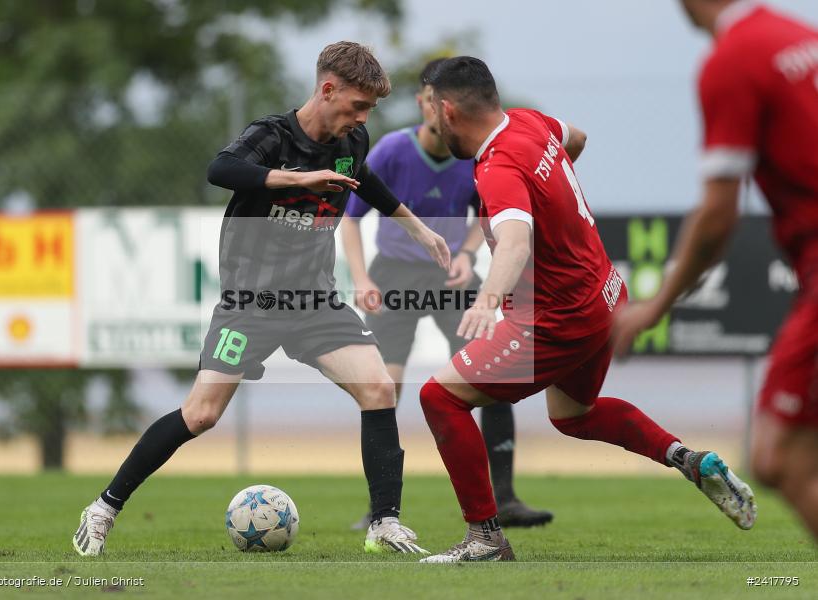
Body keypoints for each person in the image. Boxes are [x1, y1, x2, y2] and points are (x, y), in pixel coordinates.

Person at [72, 41, 452, 557]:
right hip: (249, 304)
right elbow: (221, 170)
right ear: (327, 89)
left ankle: (384, 523)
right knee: (201, 414)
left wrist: (418, 229)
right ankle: (103, 508)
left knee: (379, 388)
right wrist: (298, 178)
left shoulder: (353, 140)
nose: (364, 118)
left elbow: (366, 182)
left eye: (369, 109)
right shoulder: (272, 135)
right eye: (358, 105)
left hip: (314, 303)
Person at [414, 56, 757, 563]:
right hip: (605, 296)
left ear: (447, 110)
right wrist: (550, 192)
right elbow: (576, 138)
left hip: (557, 318)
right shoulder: (530, 121)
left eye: (429, 110)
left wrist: (487, 301)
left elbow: (515, 242)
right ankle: (689, 459)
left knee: (440, 397)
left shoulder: (497, 166)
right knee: (573, 415)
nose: (431, 123)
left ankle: (486, 538)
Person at [613, 0, 818, 540]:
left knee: (777, 456)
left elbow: (717, 215)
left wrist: (655, 305)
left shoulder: (732, 60)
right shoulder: (797, 34)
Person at [341, 58, 553, 530]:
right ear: (424, 103)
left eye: (438, 100)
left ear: (448, 106)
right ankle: (381, 509)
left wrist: (468, 253)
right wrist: (362, 279)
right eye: (426, 100)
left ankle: (505, 499)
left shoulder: (472, 154)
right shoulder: (392, 151)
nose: (433, 108)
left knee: (494, 373)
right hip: (394, 276)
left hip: (451, 278)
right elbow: (351, 219)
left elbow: (487, 212)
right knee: (385, 386)